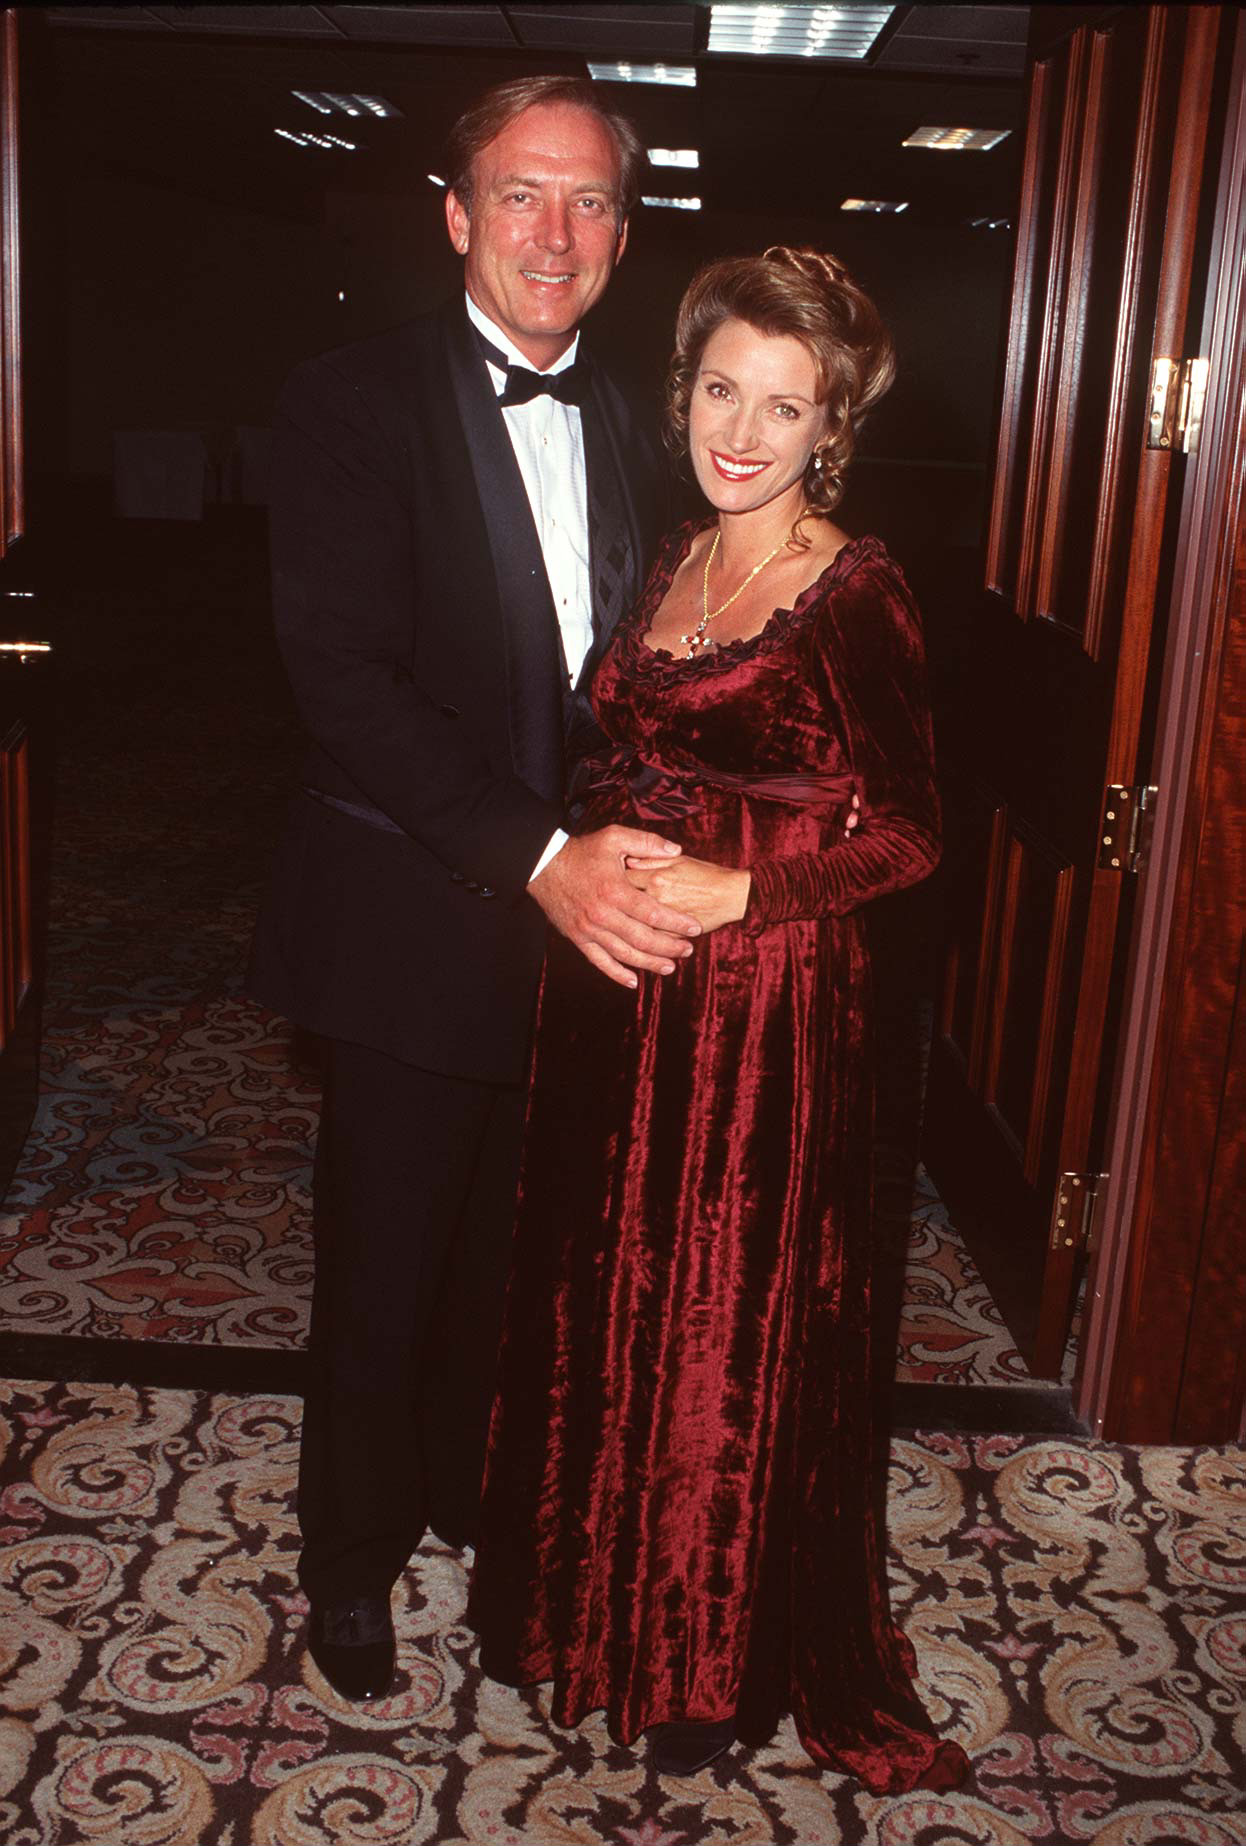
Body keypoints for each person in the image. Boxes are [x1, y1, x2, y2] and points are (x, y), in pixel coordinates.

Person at [468, 247, 971, 1791]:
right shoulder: (676, 550)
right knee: (604, 1292)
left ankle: (699, 1653)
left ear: (832, 424)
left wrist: (735, 890)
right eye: (717, 387)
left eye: (783, 402)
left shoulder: (852, 586)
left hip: (758, 1021)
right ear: (681, 388)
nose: (740, 426)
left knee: (719, 1333)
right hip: (621, 1000)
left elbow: (908, 834)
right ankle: (583, 1600)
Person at [248, 76, 704, 1704]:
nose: (553, 233)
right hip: (409, 909)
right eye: (520, 195)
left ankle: (464, 1488)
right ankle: (349, 1554)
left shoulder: (657, 423)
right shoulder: (345, 403)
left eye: (587, 203)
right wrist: (539, 856)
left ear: (624, 234)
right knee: (382, 1257)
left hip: (595, 939)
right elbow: (346, 678)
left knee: (522, 1255)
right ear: (453, 214)